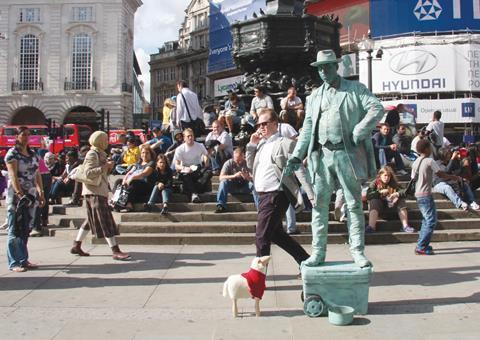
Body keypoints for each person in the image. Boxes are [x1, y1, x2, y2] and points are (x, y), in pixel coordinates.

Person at [285, 49, 384, 268]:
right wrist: (296, 155)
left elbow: (377, 108)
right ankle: (318, 252)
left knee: (354, 204)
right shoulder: (314, 96)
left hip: (347, 154)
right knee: (319, 205)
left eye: (327, 66)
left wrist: (360, 129)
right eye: (320, 68)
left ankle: (357, 251)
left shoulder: (355, 89)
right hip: (321, 155)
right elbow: (308, 129)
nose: (323, 71)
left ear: (336, 66)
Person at [246, 109, 313, 265]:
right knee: (277, 235)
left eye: (264, 124)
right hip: (262, 195)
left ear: (275, 124)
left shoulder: (285, 143)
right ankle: (306, 262)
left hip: (276, 194)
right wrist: (251, 145)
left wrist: (310, 194)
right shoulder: (261, 145)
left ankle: (258, 278)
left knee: (261, 236)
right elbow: (250, 166)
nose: (261, 127)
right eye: (259, 124)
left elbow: (299, 168)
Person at [70, 131, 130, 260]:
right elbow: (89, 173)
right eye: (105, 139)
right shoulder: (92, 154)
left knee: (91, 220)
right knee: (105, 220)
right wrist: (105, 166)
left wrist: (107, 167)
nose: (107, 142)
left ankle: (77, 244)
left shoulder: (99, 153)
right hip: (94, 192)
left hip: (97, 191)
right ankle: (115, 250)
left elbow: (101, 174)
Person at [5, 126, 45, 272]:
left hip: (31, 195)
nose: (27, 137)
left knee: (26, 228)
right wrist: (19, 194)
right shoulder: (12, 154)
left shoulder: (32, 153)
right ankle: (14, 262)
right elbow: (13, 175)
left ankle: (23, 259)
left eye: (28, 135)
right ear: (17, 136)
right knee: (14, 228)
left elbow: (37, 173)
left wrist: (41, 192)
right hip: (17, 197)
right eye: (23, 135)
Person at [411, 139, 458, 255]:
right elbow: (440, 174)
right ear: (427, 149)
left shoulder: (416, 161)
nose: (432, 148)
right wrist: (454, 177)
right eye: (430, 147)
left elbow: (413, 178)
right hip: (426, 194)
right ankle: (421, 247)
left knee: (426, 220)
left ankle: (422, 244)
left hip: (419, 194)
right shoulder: (429, 161)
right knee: (431, 221)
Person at [365, 166, 414, 233]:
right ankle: (371, 226)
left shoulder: (394, 183)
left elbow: (405, 192)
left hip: (392, 208)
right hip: (379, 211)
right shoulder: (374, 183)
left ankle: (405, 226)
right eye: (385, 175)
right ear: (380, 175)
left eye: (388, 176)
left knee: (400, 199)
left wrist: (396, 194)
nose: (387, 178)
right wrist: (379, 193)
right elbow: (368, 195)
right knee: (374, 201)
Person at [173, 128, 210, 203]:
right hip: (186, 170)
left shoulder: (200, 145)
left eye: (192, 136)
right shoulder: (180, 149)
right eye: (188, 136)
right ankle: (194, 193)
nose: (190, 138)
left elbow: (206, 155)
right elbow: (176, 165)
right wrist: (184, 168)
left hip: (197, 169)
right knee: (185, 176)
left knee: (209, 172)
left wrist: (206, 161)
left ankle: (189, 189)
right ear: (184, 138)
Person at [215, 147, 257, 213]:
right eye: (237, 160)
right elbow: (221, 177)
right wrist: (234, 176)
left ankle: (259, 206)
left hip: (245, 186)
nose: (238, 162)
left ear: (243, 157)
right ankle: (221, 205)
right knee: (223, 182)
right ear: (233, 157)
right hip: (232, 185)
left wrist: (247, 177)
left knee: (254, 185)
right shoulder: (228, 163)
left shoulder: (247, 163)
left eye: (240, 160)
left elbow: (254, 178)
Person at [120, 145, 156, 212]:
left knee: (134, 183)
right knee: (119, 182)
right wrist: (124, 180)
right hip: (133, 183)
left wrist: (132, 178)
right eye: (143, 153)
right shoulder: (139, 162)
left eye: (147, 153)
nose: (144, 155)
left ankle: (129, 204)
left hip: (145, 185)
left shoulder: (151, 163)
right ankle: (117, 201)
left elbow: (144, 174)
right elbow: (130, 172)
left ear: (151, 154)